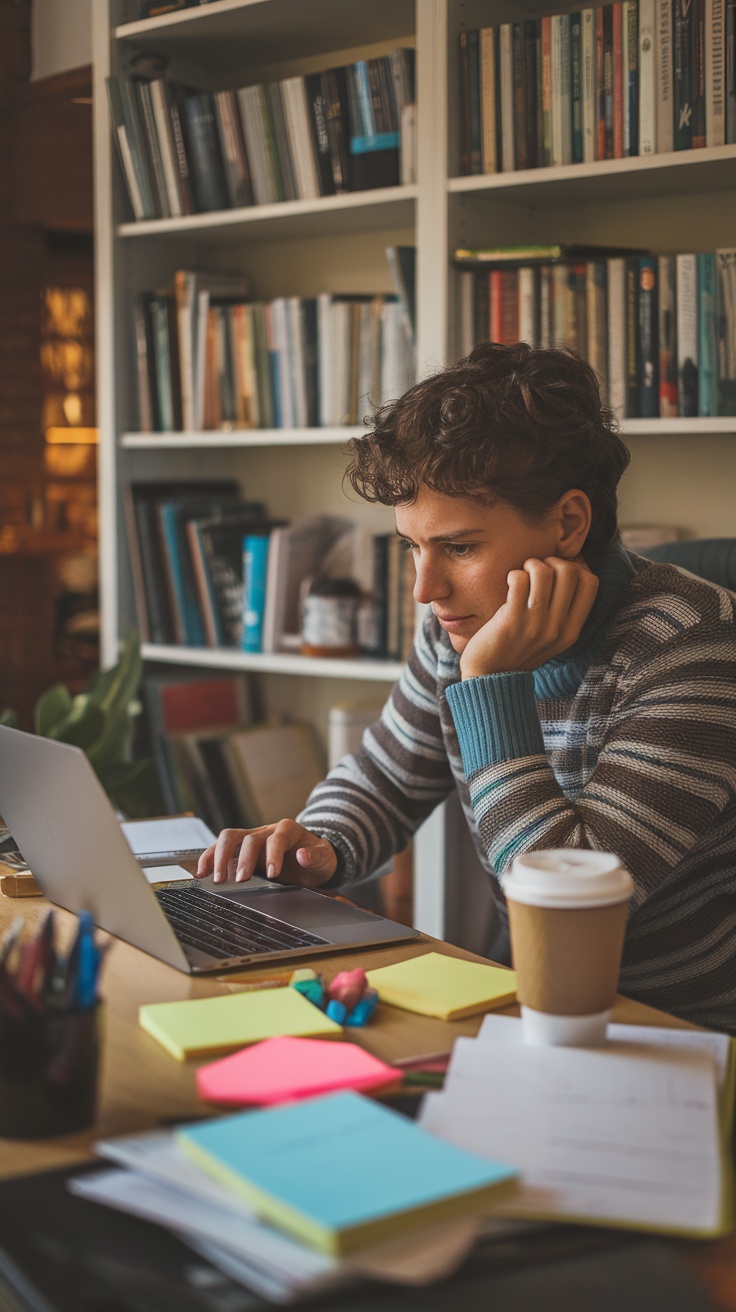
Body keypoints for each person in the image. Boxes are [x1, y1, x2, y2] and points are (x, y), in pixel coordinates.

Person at [197, 342, 736, 1030]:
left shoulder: (693, 644)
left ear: (570, 524)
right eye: (413, 548)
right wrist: (318, 846)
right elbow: (385, 777)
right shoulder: (458, 625)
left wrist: (492, 682)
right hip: (532, 1007)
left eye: (460, 547)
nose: (426, 590)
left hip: (677, 1030)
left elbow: (568, 906)